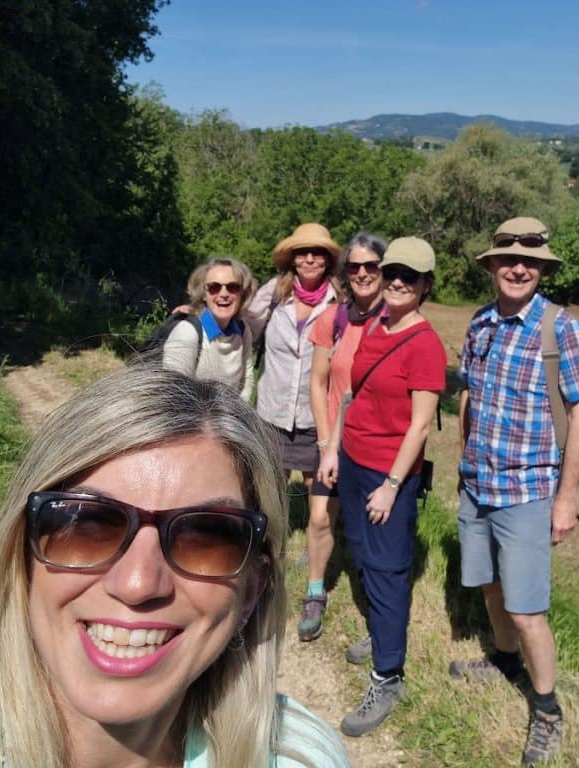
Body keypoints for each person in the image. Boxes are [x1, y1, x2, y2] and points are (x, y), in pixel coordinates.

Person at [0, 365, 350, 768]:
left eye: (205, 537)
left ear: (251, 591)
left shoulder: (295, 753)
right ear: (22, 556)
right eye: (87, 525)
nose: (138, 583)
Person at [452, 217, 579, 766]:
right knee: (488, 584)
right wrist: (463, 461)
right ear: (492, 265)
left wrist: (567, 499)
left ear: (542, 269)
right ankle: (504, 660)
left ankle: (547, 709)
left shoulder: (562, 329)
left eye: (529, 262)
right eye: (508, 260)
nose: (518, 269)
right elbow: (469, 394)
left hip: (528, 489)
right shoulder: (480, 322)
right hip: (479, 482)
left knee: (527, 608)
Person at [318, 237, 446, 738]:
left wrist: (392, 485)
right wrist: (333, 449)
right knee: (364, 554)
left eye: (408, 277)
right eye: (391, 272)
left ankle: (387, 677)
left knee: (389, 568)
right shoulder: (375, 325)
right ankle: (381, 633)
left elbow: (420, 426)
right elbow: (352, 395)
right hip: (353, 459)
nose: (396, 282)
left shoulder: (425, 345)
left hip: (388, 472)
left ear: (426, 285)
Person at [298, 233, 387, 642]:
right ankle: (315, 591)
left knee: (371, 531)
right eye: (355, 266)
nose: (363, 273)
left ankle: (377, 606)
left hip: (375, 446)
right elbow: (318, 383)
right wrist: (323, 443)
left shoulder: (396, 322)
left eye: (372, 266)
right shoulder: (332, 320)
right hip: (333, 445)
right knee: (319, 517)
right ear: (345, 272)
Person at [247, 223, 342, 493]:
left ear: (328, 259)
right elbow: (244, 326)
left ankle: (317, 523)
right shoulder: (274, 292)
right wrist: (197, 312)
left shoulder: (339, 302)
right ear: (293, 259)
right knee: (271, 489)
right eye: (302, 252)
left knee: (319, 488)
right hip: (273, 413)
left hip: (315, 416)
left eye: (317, 252)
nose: (309, 259)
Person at [162, 257, 257, 401]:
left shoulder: (243, 330)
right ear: (203, 294)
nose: (224, 294)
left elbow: (246, 381)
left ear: (242, 293)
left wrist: (240, 412)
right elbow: (173, 394)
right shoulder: (188, 332)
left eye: (233, 287)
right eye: (214, 287)